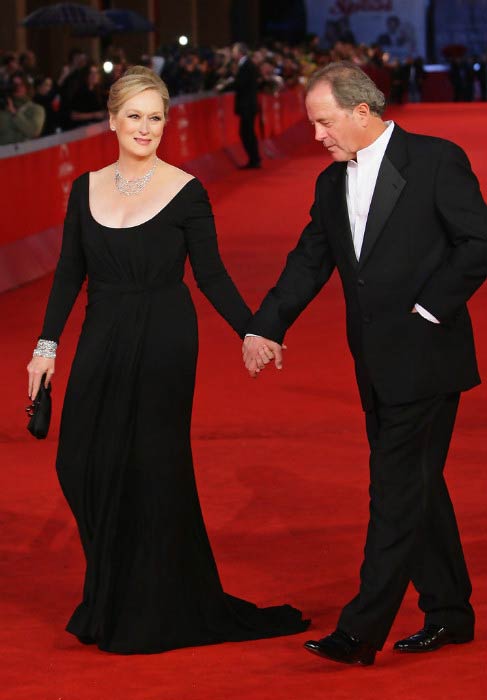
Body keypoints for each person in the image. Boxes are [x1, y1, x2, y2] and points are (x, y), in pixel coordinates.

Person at [26, 66, 308, 654]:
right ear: (111, 121)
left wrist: (252, 330)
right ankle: (112, 587)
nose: (146, 127)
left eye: (156, 116)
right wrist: (45, 346)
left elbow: (211, 275)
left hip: (164, 337)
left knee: (152, 468)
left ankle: (149, 609)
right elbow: (69, 275)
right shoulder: (85, 187)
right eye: (134, 115)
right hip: (103, 331)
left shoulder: (187, 190)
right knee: (78, 462)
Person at [243, 61, 487, 666]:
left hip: (428, 358)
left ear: (361, 111)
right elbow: (308, 261)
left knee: (395, 491)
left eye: (324, 122)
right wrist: (266, 325)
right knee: (419, 487)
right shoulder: (331, 185)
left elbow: (478, 241)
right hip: (373, 365)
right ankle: (450, 612)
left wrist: (429, 309)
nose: (317, 135)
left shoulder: (434, 159)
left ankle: (360, 630)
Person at [231, 42, 261, 169]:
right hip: (249, 105)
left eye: (234, 51)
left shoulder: (246, 65)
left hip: (247, 105)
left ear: (239, 52)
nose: (233, 53)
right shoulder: (247, 65)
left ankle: (254, 159)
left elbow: (241, 84)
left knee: (246, 133)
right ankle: (254, 159)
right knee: (248, 132)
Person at [0, 71, 45, 145]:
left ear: (27, 87)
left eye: (21, 85)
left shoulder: (36, 109)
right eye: (14, 85)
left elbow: (34, 132)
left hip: (23, 154)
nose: (17, 88)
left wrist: (14, 112)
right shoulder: (3, 107)